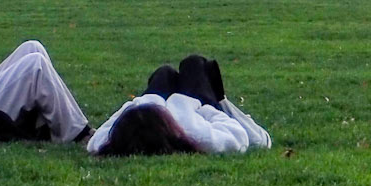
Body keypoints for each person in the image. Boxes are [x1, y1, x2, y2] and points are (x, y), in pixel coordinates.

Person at [87, 54, 272, 157]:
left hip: (161, 104)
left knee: (164, 73)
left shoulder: (105, 143)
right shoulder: (200, 137)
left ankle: (157, 97)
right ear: (166, 124)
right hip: (198, 109)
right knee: (194, 64)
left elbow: (101, 133)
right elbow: (236, 133)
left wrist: (142, 102)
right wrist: (200, 108)